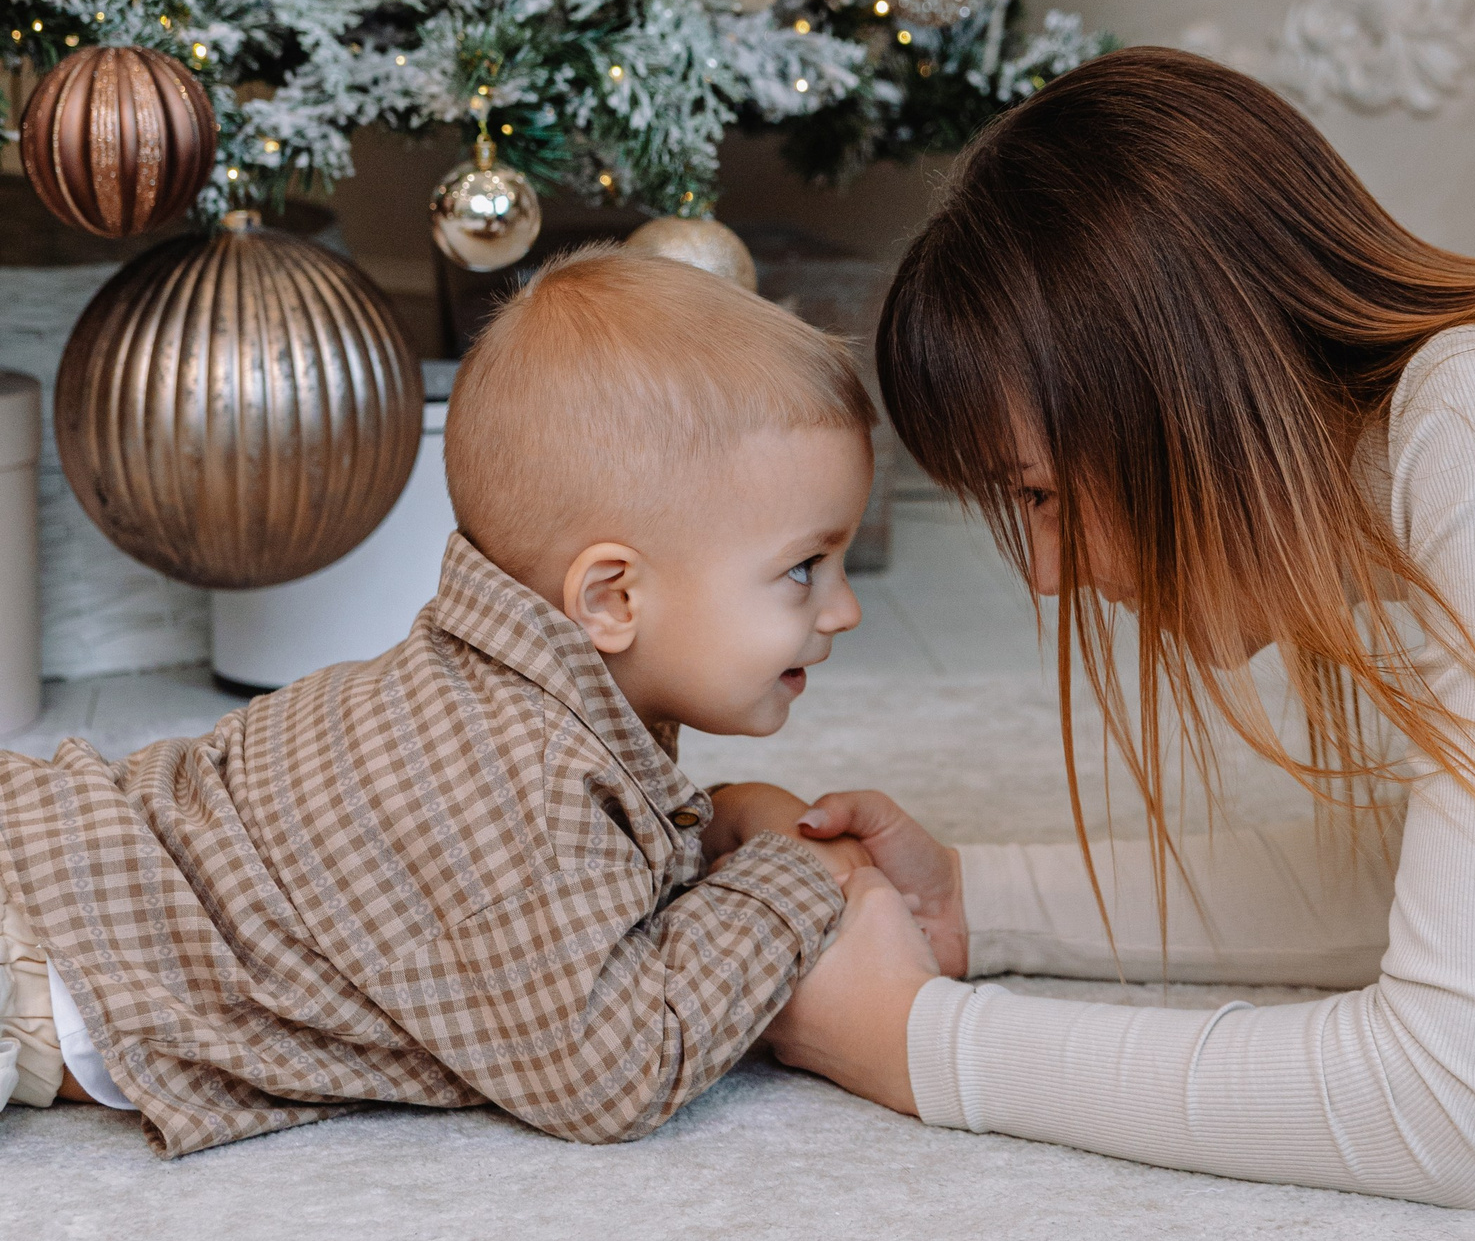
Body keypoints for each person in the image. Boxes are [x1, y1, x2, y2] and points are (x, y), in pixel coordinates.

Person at [766, 47, 1475, 1209]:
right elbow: (1474, 898)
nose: (1054, 576)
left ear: (1187, 394)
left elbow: (1462, 1107)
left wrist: (921, 1045)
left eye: (1040, 496)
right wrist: (974, 905)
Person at [0, 251, 884, 1156]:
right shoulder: (520, 779)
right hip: (34, 958)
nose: (844, 609)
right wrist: (798, 880)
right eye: (805, 568)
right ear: (613, 598)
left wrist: (718, 829)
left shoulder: (519, 707)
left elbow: (586, 901)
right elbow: (614, 1073)